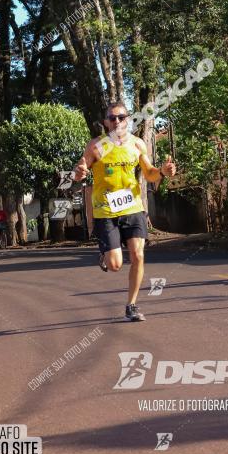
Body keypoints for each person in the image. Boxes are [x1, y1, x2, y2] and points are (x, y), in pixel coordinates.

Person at [73, 101, 176, 322]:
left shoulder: (138, 144)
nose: (117, 121)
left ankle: (132, 305)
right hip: (105, 210)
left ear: (128, 119)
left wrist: (163, 173)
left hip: (132, 206)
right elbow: (81, 170)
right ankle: (106, 253)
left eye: (121, 117)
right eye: (112, 118)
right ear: (105, 123)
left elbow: (149, 173)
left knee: (138, 255)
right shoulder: (96, 146)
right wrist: (80, 172)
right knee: (115, 265)